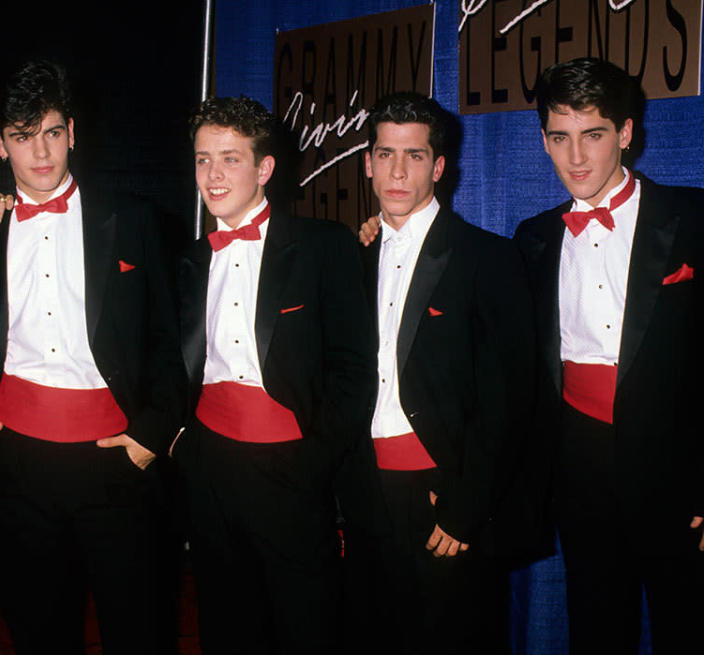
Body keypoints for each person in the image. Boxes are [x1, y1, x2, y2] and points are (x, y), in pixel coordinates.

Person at [0, 58, 185, 655]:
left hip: (117, 460)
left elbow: (173, 338)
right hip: (16, 461)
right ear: (0, 143)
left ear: (72, 130)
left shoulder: (133, 219)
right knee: (38, 632)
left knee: (140, 632)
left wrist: (152, 436)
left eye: (51, 132)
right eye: (23, 137)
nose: (41, 153)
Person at [512, 57, 704, 653]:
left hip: (680, 467)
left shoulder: (695, 217)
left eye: (593, 135)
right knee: (596, 629)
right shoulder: (534, 238)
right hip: (579, 470)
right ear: (543, 139)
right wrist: (376, 236)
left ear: (624, 133)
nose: (575, 158)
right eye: (560, 137)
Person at [173, 95, 375, 655]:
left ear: (264, 168)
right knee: (226, 627)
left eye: (230, 159)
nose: (213, 175)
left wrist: (311, 461)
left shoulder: (324, 246)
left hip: (292, 469)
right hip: (210, 468)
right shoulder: (188, 259)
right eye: (202, 159)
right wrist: (183, 449)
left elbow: (355, 371)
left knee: (306, 629)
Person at [348, 92, 535, 654]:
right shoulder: (346, 254)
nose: (397, 170)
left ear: (439, 165)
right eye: (385, 153)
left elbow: (509, 399)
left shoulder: (489, 258)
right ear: (368, 162)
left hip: (443, 497)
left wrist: (466, 508)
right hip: (363, 495)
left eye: (414, 155)